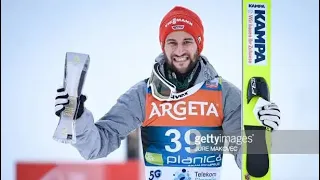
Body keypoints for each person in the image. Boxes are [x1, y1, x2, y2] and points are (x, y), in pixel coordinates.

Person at [54, 6, 281, 180]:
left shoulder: (224, 94)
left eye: (187, 41)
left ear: (198, 45)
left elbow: (248, 160)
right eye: (172, 42)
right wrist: (78, 118)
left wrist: (259, 132)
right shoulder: (143, 95)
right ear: (163, 46)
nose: (179, 50)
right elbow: (97, 146)